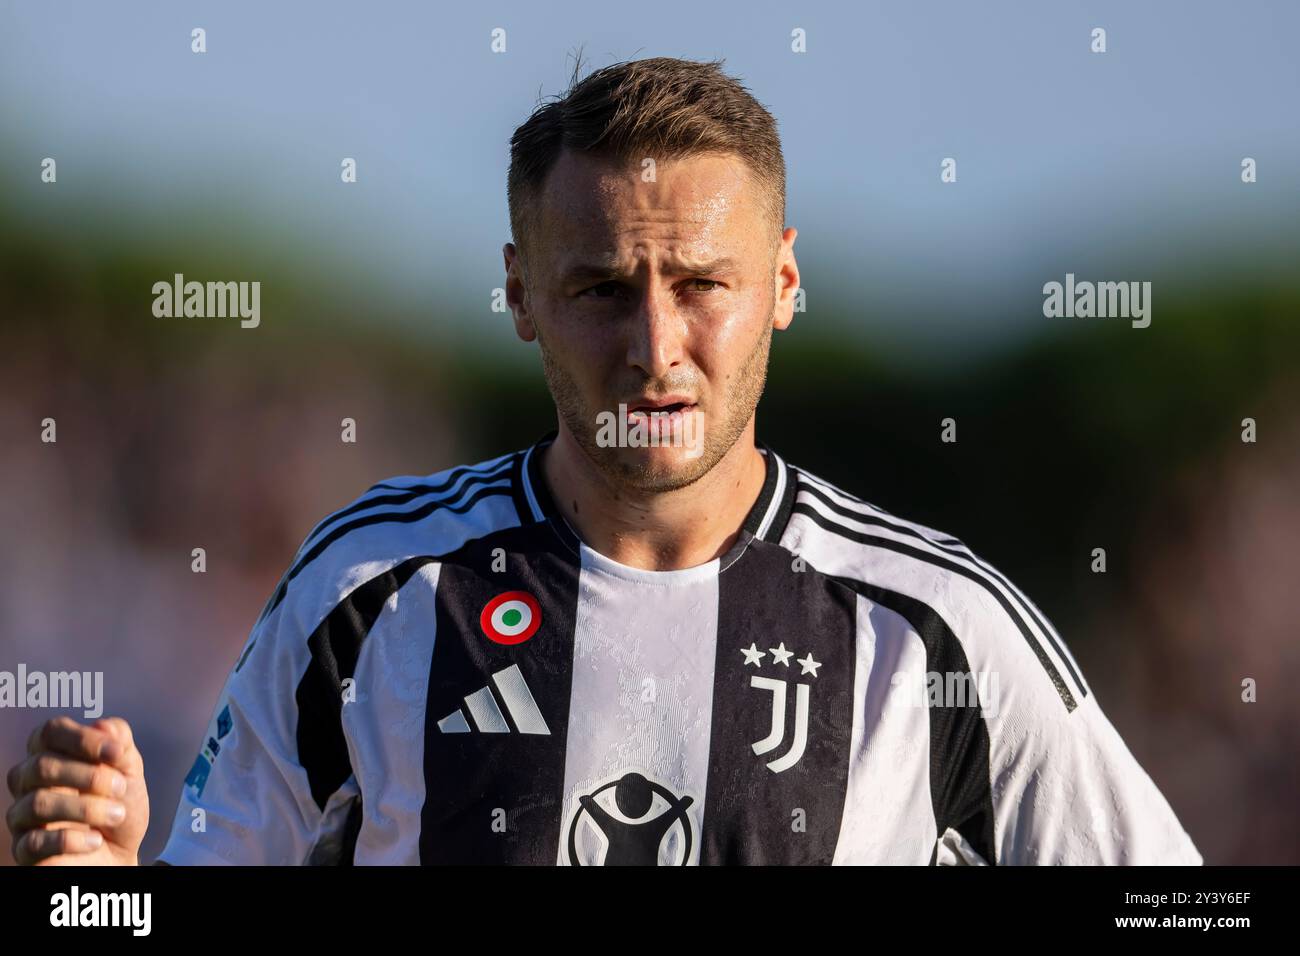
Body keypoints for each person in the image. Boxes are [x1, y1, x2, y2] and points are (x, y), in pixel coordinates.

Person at [5, 56, 1201, 866]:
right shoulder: (369, 593)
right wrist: (96, 888)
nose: (654, 345)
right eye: (598, 289)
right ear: (520, 290)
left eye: (701, 285)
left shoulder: (938, 629)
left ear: (783, 281)